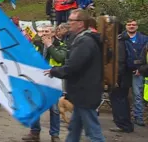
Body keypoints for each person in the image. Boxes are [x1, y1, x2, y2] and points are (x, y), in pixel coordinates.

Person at [45, 9, 105, 142]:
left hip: (85, 93)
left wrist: (54, 71)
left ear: (81, 23)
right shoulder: (80, 39)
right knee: (74, 129)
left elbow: (73, 67)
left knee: (93, 132)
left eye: (72, 20)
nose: (69, 23)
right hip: (80, 93)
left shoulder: (85, 42)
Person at [23, 26, 67, 142]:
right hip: (38, 80)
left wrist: (49, 46)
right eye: (41, 31)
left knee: (54, 109)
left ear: (53, 33)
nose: (43, 34)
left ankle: (55, 134)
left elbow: (60, 58)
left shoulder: (60, 45)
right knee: (35, 106)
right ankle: (35, 132)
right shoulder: (37, 44)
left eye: (46, 31)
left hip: (53, 81)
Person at [119, 19, 147, 127]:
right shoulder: (121, 38)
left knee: (137, 95)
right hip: (124, 71)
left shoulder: (144, 39)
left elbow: (145, 57)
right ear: (126, 26)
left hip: (138, 71)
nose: (131, 26)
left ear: (137, 26)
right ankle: (122, 117)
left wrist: (141, 69)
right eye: (129, 24)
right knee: (122, 95)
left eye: (133, 24)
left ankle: (138, 117)